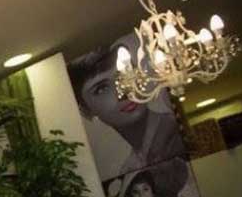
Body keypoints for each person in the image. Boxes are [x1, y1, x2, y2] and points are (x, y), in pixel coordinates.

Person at [68, 36, 186, 178]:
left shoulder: (174, 137)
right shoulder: (132, 164)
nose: (124, 92)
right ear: (85, 110)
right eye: (102, 89)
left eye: (126, 75)